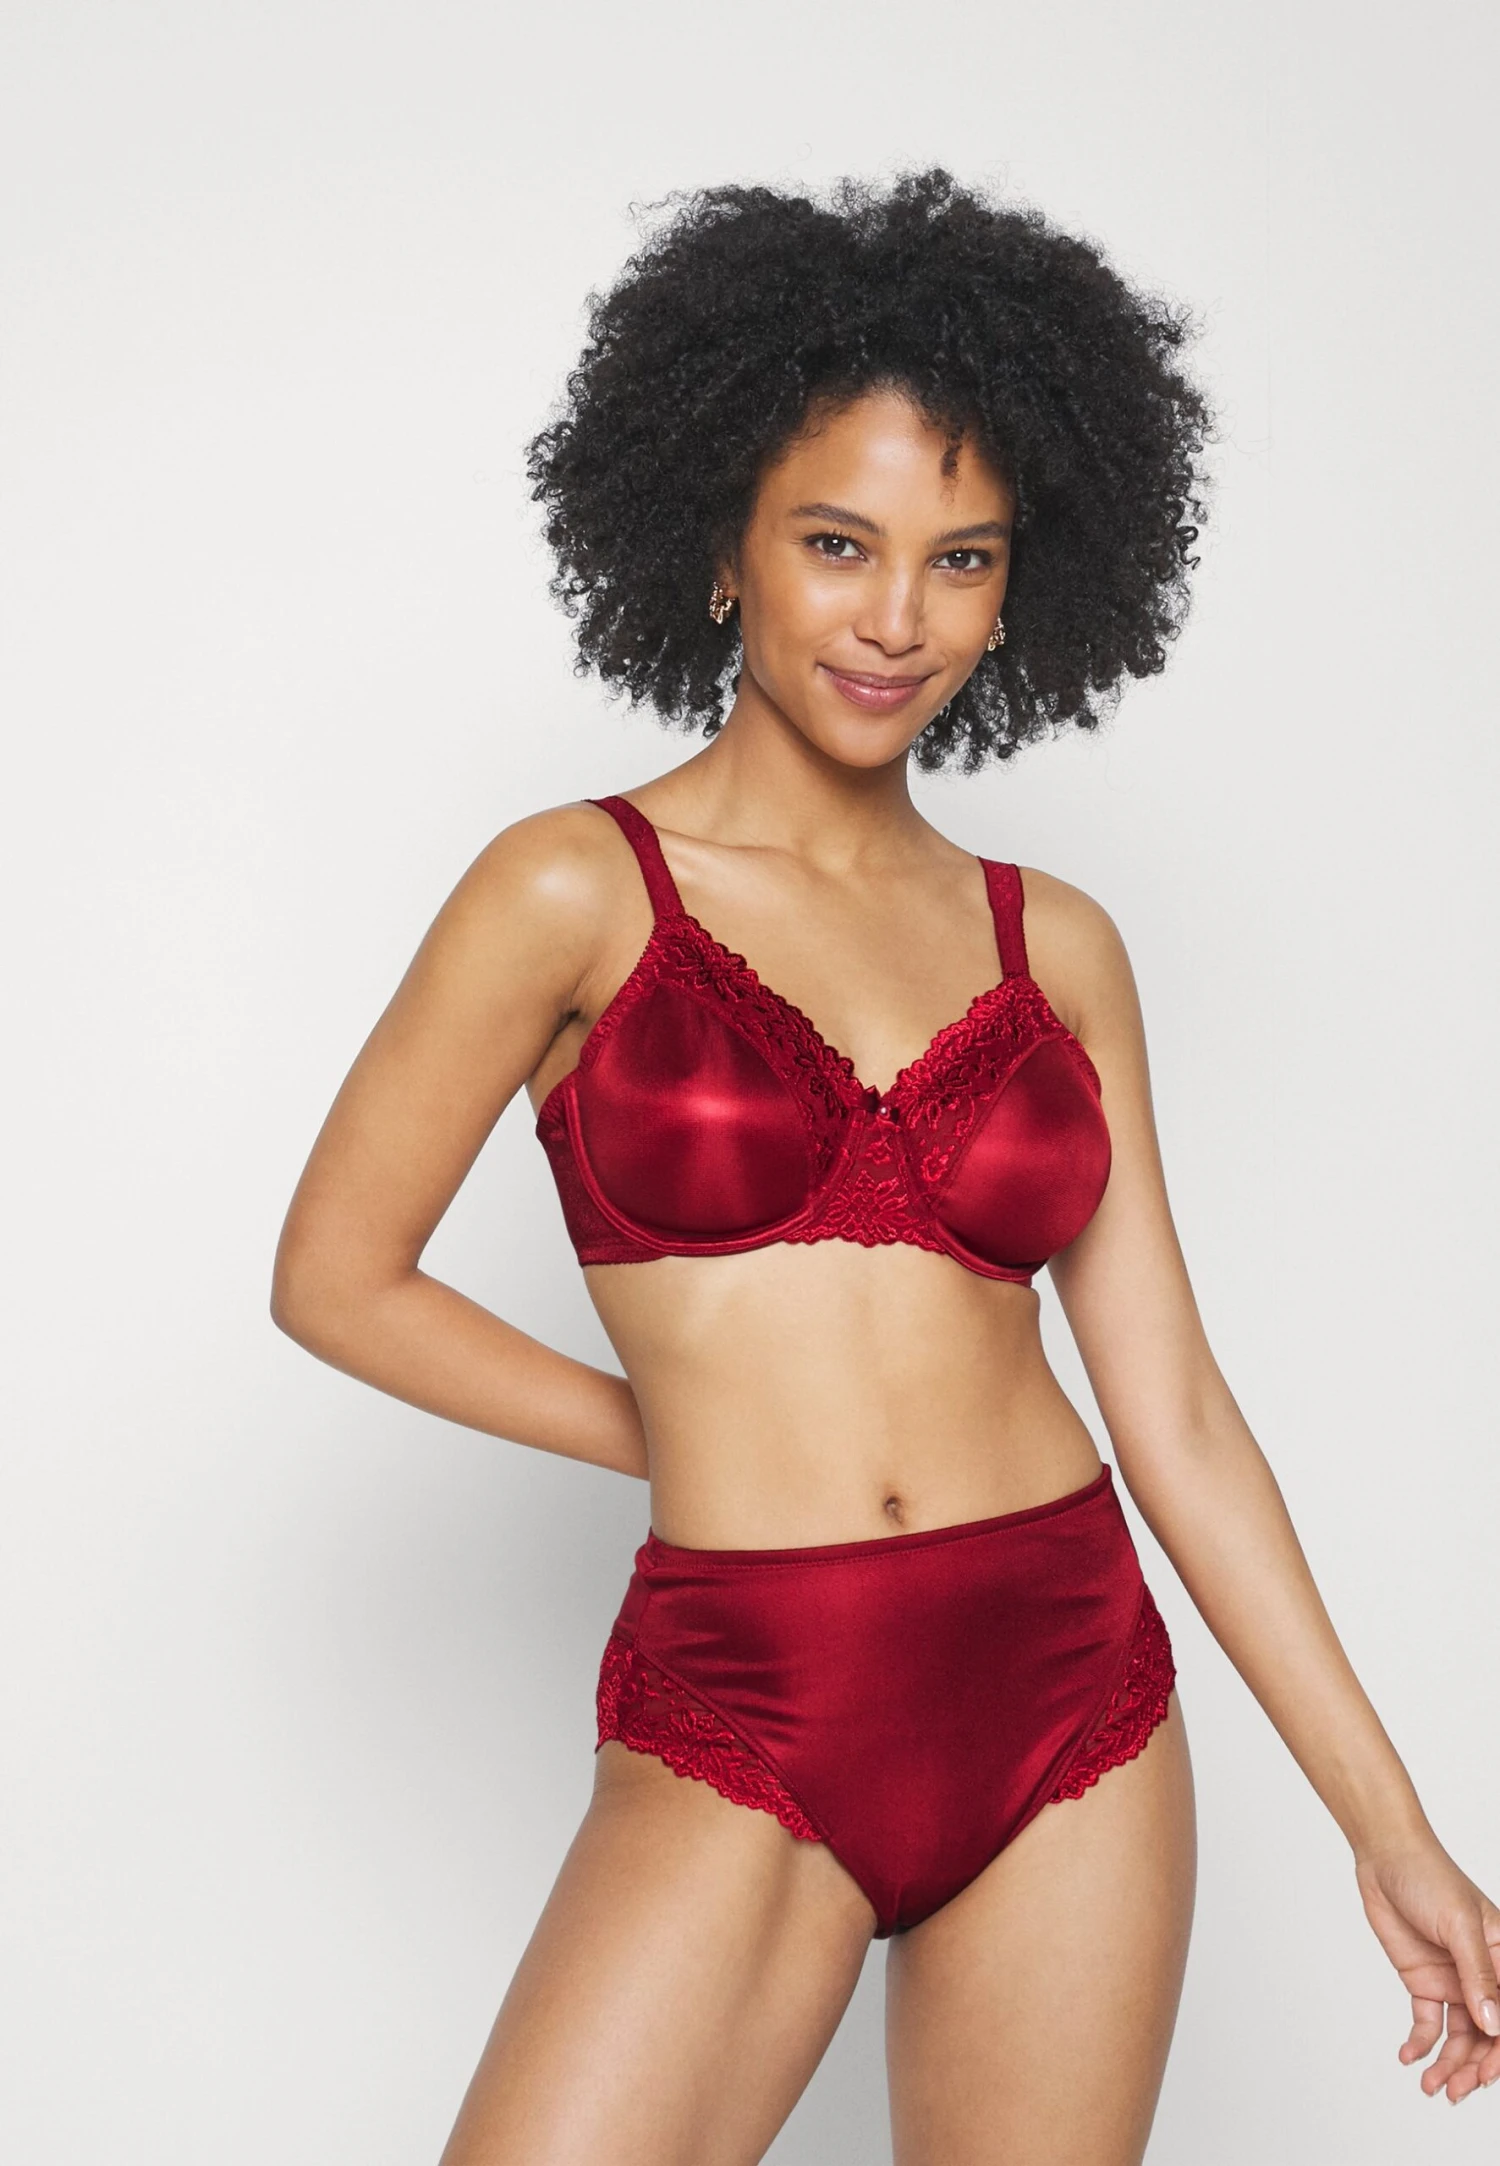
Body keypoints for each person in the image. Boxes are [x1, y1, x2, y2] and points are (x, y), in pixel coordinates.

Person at [270, 171, 1500, 2164]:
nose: (897, 620)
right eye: (838, 543)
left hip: (1074, 1692)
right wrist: (659, 1430)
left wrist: (1394, 1828)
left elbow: (1177, 1414)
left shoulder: (1055, 943)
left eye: (963, 558)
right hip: (748, 1692)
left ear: (1023, 589)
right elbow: (336, 1276)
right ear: (723, 544)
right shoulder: (573, 888)